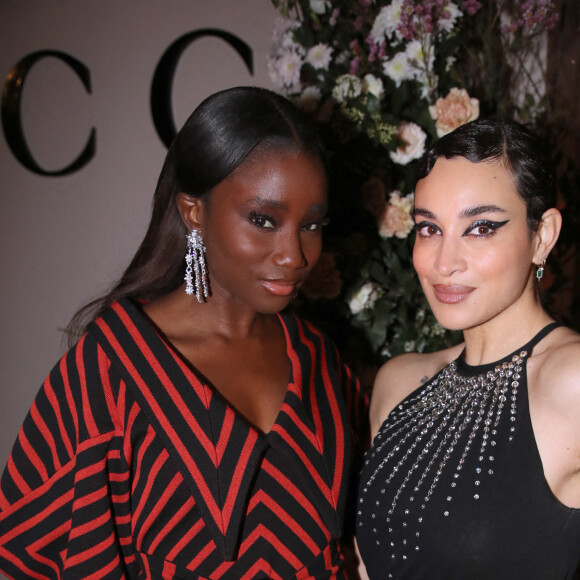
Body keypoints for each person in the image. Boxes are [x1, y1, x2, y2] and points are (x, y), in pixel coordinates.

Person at [0, 86, 368, 579]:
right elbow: (38, 550)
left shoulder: (319, 358)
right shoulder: (113, 368)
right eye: (263, 220)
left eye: (311, 224)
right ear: (194, 210)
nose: (294, 255)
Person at [355, 119, 580, 579]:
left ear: (543, 236)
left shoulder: (571, 379)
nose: (444, 263)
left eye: (480, 228)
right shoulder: (397, 382)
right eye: (428, 229)